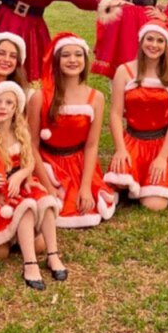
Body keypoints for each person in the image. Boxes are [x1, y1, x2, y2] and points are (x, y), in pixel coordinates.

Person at [0, 81, 64, 291]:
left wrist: (21, 175)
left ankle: (52, 256)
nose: (2, 107)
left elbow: (29, 162)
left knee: (42, 203)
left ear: (15, 108)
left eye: (8, 103)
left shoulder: (21, 133)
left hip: (17, 186)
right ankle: (28, 262)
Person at [28, 32, 117, 228]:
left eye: (78, 55)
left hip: (78, 164)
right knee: (45, 206)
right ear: (57, 60)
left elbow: (92, 145)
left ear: (85, 60)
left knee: (85, 205)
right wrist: (48, 185)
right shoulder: (39, 98)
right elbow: (31, 145)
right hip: (46, 163)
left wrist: (85, 186)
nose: (72, 60)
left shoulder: (96, 98)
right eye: (66, 55)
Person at [105, 24, 168, 210]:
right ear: (141, 41)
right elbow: (115, 114)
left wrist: (162, 157)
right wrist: (121, 150)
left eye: (160, 40)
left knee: (154, 205)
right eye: (150, 39)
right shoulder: (124, 71)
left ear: (166, 45)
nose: (154, 45)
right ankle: (135, 177)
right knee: (120, 182)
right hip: (133, 140)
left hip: (162, 143)